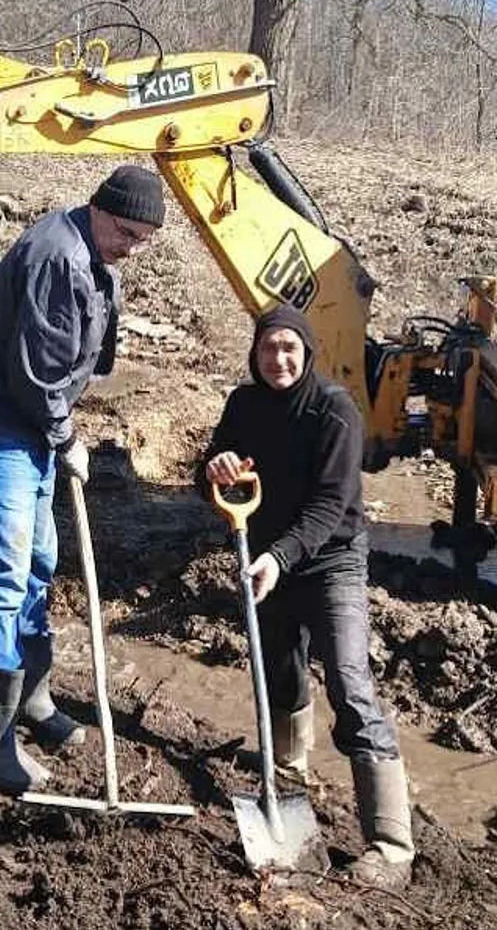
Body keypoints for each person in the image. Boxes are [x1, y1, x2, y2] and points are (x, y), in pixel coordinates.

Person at [0, 163, 165, 795]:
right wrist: (65, 435)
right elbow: (37, 375)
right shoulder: (57, 258)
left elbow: (76, 364)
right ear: (99, 208)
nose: (131, 249)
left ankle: (34, 700)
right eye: (126, 233)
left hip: (33, 427)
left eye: (142, 241)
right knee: (4, 579)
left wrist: (59, 428)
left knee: (40, 563)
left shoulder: (94, 255)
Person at [200, 305, 415, 885]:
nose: (279, 360)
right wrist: (213, 467)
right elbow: (214, 476)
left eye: (290, 348)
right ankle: (288, 768)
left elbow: (328, 507)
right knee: (279, 668)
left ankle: (392, 843)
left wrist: (279, 556)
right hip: (268, 556)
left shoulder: (335, 410)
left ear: (308, 351)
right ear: (256, 353)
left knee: (349, 681)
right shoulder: (244, 405)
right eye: (269, 348)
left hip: (330, 561)